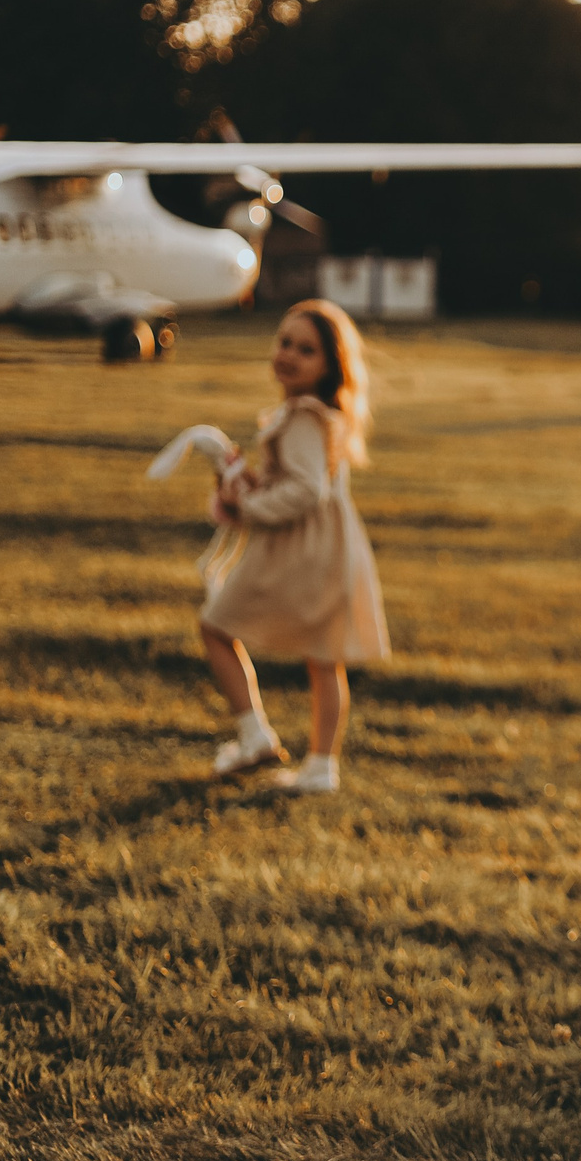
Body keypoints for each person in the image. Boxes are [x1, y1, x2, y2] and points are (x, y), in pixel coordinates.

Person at [199, 299, 391, 795]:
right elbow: (302, 479)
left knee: (217, 625)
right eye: (284, 342)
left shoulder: (305, 416)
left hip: (304, 548)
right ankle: (320, 765)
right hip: (328, 548)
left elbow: (309, 490)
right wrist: (253, 483)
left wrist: (250, 507)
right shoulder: (314, 414)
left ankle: (254, 733)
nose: (289, 355)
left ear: (330, 366)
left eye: (306, 350)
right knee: (324, 656)